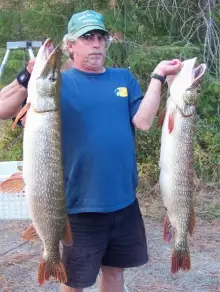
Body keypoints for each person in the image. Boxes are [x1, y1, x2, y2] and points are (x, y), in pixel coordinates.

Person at [0, 10, 182, 292]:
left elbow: (144, 122)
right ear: (70, 45)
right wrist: (27, 74)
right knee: (74, 283)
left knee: (115, 274)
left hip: (123, 202)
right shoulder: (55, 83)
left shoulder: (122, 78)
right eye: (87, 37)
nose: (97, 43)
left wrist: (159, 77)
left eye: (101, 37)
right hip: (79, 206)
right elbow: (2, 109)